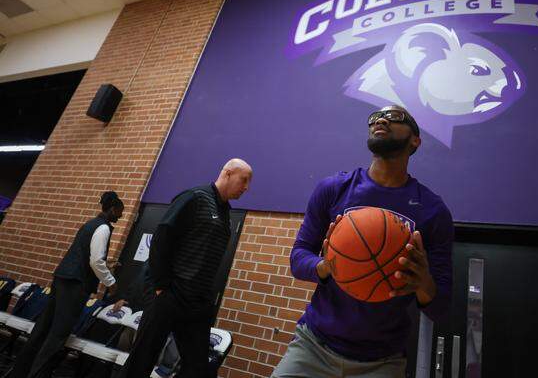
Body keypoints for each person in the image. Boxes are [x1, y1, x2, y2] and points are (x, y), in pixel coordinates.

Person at [272, 106, 454, 377]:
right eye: (376, 118)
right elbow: (298, 257)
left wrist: (423, 282)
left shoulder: (433, 211)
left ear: (415, 140)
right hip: (313, 346)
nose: (380, 119)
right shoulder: (333, 188)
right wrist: (325, 265)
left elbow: (441, 307)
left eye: (395, 117)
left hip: (382, 361)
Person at [117, 158, 252, 378]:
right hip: (171, 295)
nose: (246, 187)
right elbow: (162, 238)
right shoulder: (194, 197)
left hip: (197, 302)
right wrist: (161, 286)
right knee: (142, 359)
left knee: (198, 368)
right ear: (227, 173)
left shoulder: (225, 211)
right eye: (244, 180)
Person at [8, 191, 124, 378]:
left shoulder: (89, 224)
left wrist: (106, 263)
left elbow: (86, 255)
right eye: (120, 211)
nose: (121, 215)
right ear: (112, 209)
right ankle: (38, 374)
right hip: (76, 285)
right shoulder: (103, 228)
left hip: (63, 278)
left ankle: (19, 372)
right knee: (58, 335)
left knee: (42, 328)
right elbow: (95, 261)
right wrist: (110, 281)